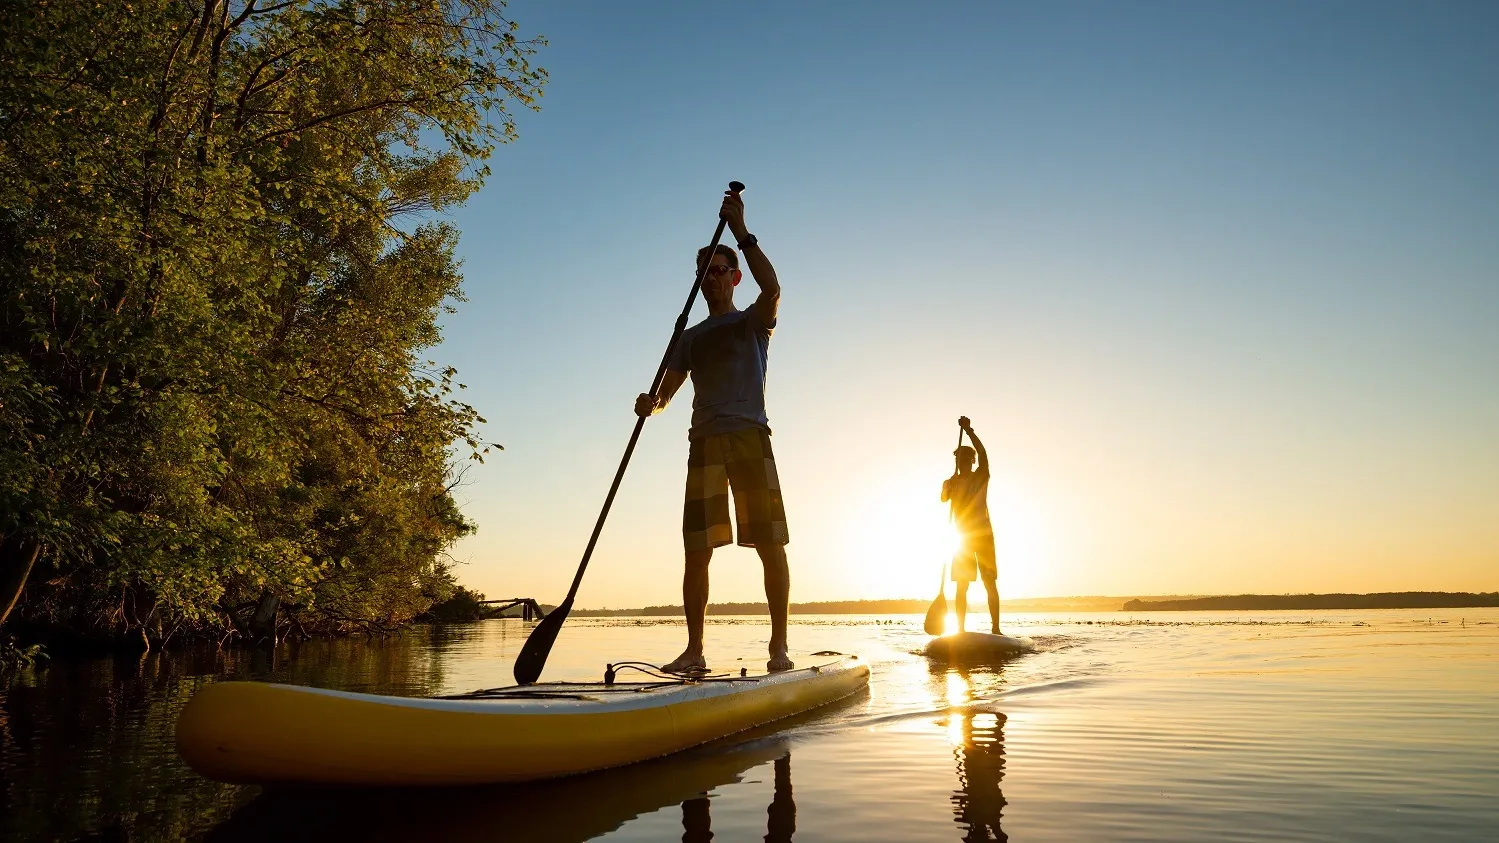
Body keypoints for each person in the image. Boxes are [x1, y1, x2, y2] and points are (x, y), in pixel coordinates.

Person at [634, 189, 791, 673]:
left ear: (734, 277)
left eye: (720, 270)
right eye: (705, 273)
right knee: (697, 549)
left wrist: (741, 232)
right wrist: (652, 404)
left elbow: (774, 288)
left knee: (769, 543)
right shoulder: (689, 337)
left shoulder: (753, 322)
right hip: (703, 442)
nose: (712, 278)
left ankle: (778, 648)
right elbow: (669, 392)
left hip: (749, 436)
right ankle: (694, 651)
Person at [943, 416, 999, 634]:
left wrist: (969, 431)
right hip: (962, 539)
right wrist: (950, 485)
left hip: (984, 536)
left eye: (967, 460)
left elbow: (983, 453)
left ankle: (996, 628)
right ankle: (960, 631)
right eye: (960, 460)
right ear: (956, 462)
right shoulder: (951, 482)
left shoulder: (981, 476)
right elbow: (943, 498)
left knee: (989, 581)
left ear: (972, 462)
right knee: (961, 585)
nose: (963, 464)